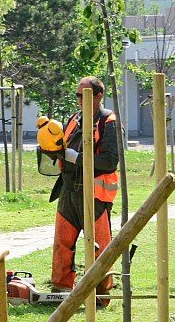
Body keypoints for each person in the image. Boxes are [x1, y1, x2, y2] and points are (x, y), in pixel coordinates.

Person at [45, 76, 120, 304]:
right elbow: (63, 146)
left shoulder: (109, 121)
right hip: (69, 190)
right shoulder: (74, 119)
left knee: (100, 247)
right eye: (77, 95)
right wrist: (54, 151)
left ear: (98, 96)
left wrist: (77, 158)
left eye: (83, 95)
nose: (79, 99)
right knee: (62, 242)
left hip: (95, 194)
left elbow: (110, 160)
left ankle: (101, 294)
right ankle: (60, 290)